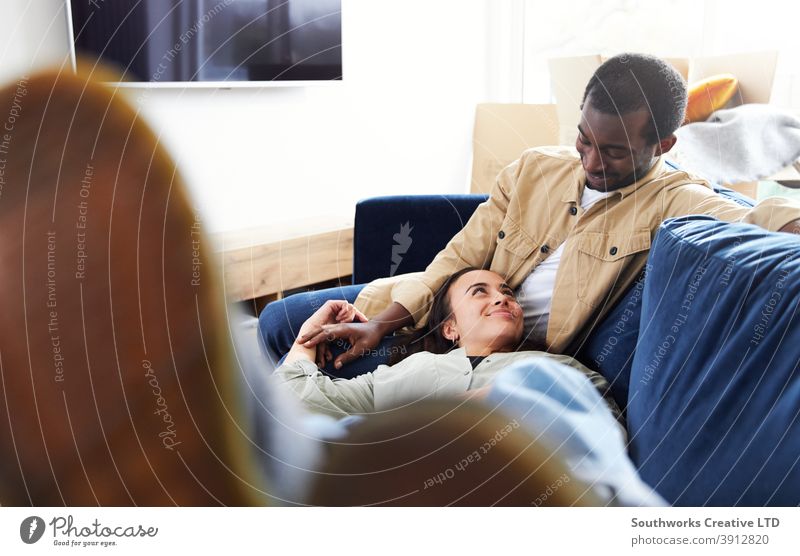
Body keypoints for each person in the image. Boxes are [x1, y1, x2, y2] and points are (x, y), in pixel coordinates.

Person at [277, 53, 800, 371]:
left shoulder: (677, 199)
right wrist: (383, 324)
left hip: (491, 358)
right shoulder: (534, 168)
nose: (592, 162)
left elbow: (760, 217)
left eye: (614, 152)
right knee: (280, 319)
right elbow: (462, 254)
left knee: (307, 365)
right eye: (584, 139)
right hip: (436, 313)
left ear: (662, 144)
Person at [273, 268, 623, 424]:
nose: (501, 298)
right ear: (451, 328)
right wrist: (308, 333)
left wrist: (501, 400)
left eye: (508, 293)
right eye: (479, 292)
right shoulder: (408, 371)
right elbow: (298, 399)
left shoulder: (556, 367)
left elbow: (605, 425)